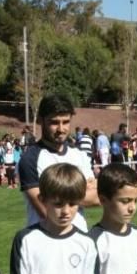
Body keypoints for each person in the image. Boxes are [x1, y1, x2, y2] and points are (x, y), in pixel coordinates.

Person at [17, 95, 99, 231]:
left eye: (66, 122)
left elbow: (96, 198)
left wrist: (56, 196)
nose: (61, 129)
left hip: (80, 239)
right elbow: (45, 211)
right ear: (41, 121)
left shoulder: (79, 154)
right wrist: (80, 192)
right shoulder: (30, 159)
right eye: (54, 122)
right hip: (46, 240)